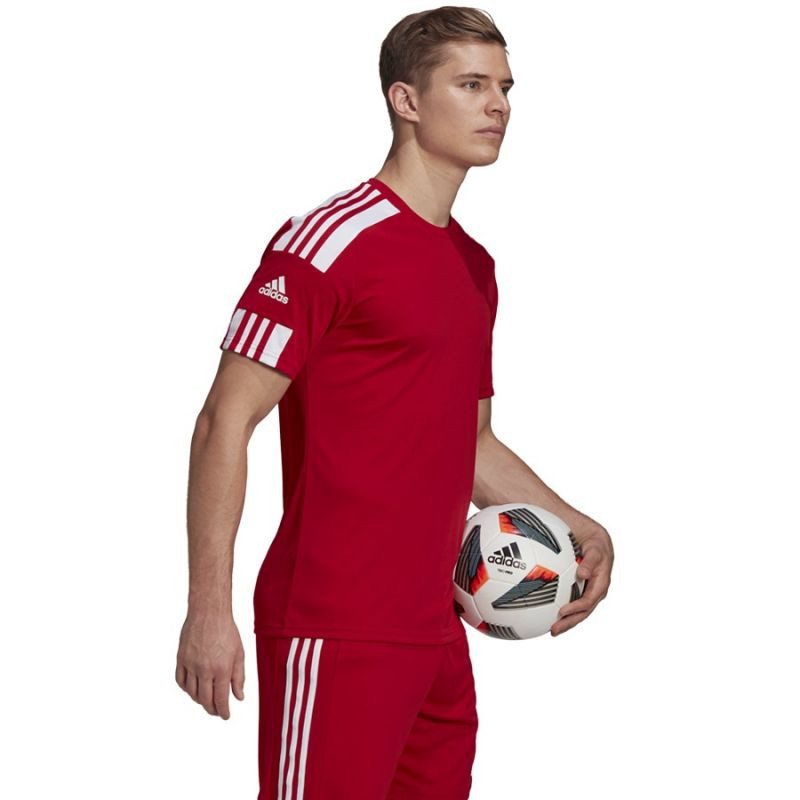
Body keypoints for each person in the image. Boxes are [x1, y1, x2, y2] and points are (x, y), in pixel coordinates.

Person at [175, 7, 614, 799]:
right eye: (471, 85)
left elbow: (469, 442)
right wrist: (209, 605)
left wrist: (577, 523)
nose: (499, 105)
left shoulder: (472, 266)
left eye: (506, 87)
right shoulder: (326, 242)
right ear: (405, 100)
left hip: (440, 629)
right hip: (335, 622)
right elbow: (224, 421)